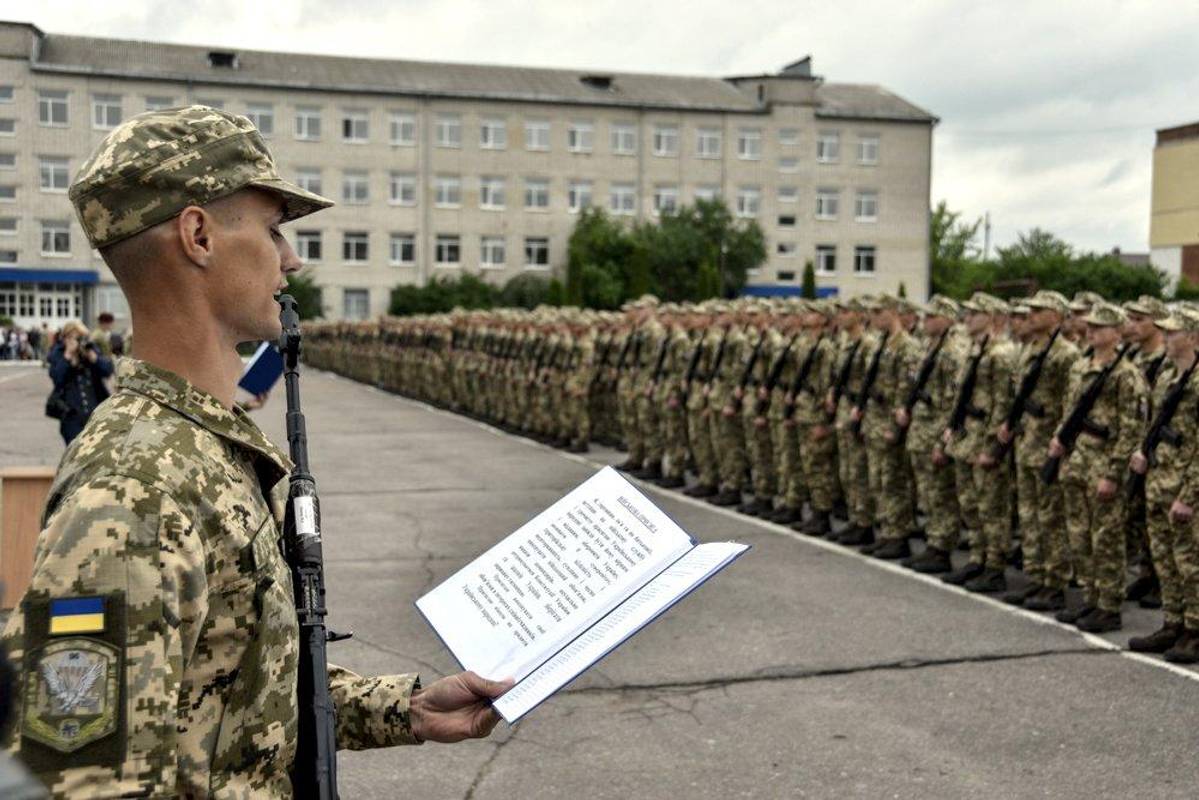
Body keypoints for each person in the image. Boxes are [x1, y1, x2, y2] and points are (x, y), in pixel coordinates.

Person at [2, 106, 509, 798]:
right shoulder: (132, 486)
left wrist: (407, 708)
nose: (291, 257)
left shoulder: (205, 445)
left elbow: (235, 682)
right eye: (272, 231)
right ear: (199, 235)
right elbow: (82, 782)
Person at [45, 320, 114, 444]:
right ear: (65, 338)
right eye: (73, 338)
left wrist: (95, 359)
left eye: (81, 337)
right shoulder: (58, 354)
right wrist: (67, 355)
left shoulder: (89, 350)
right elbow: (57, 378)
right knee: (75, 455)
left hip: (95, 413)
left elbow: (108, 371)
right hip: (71, 415)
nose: (78, 341)